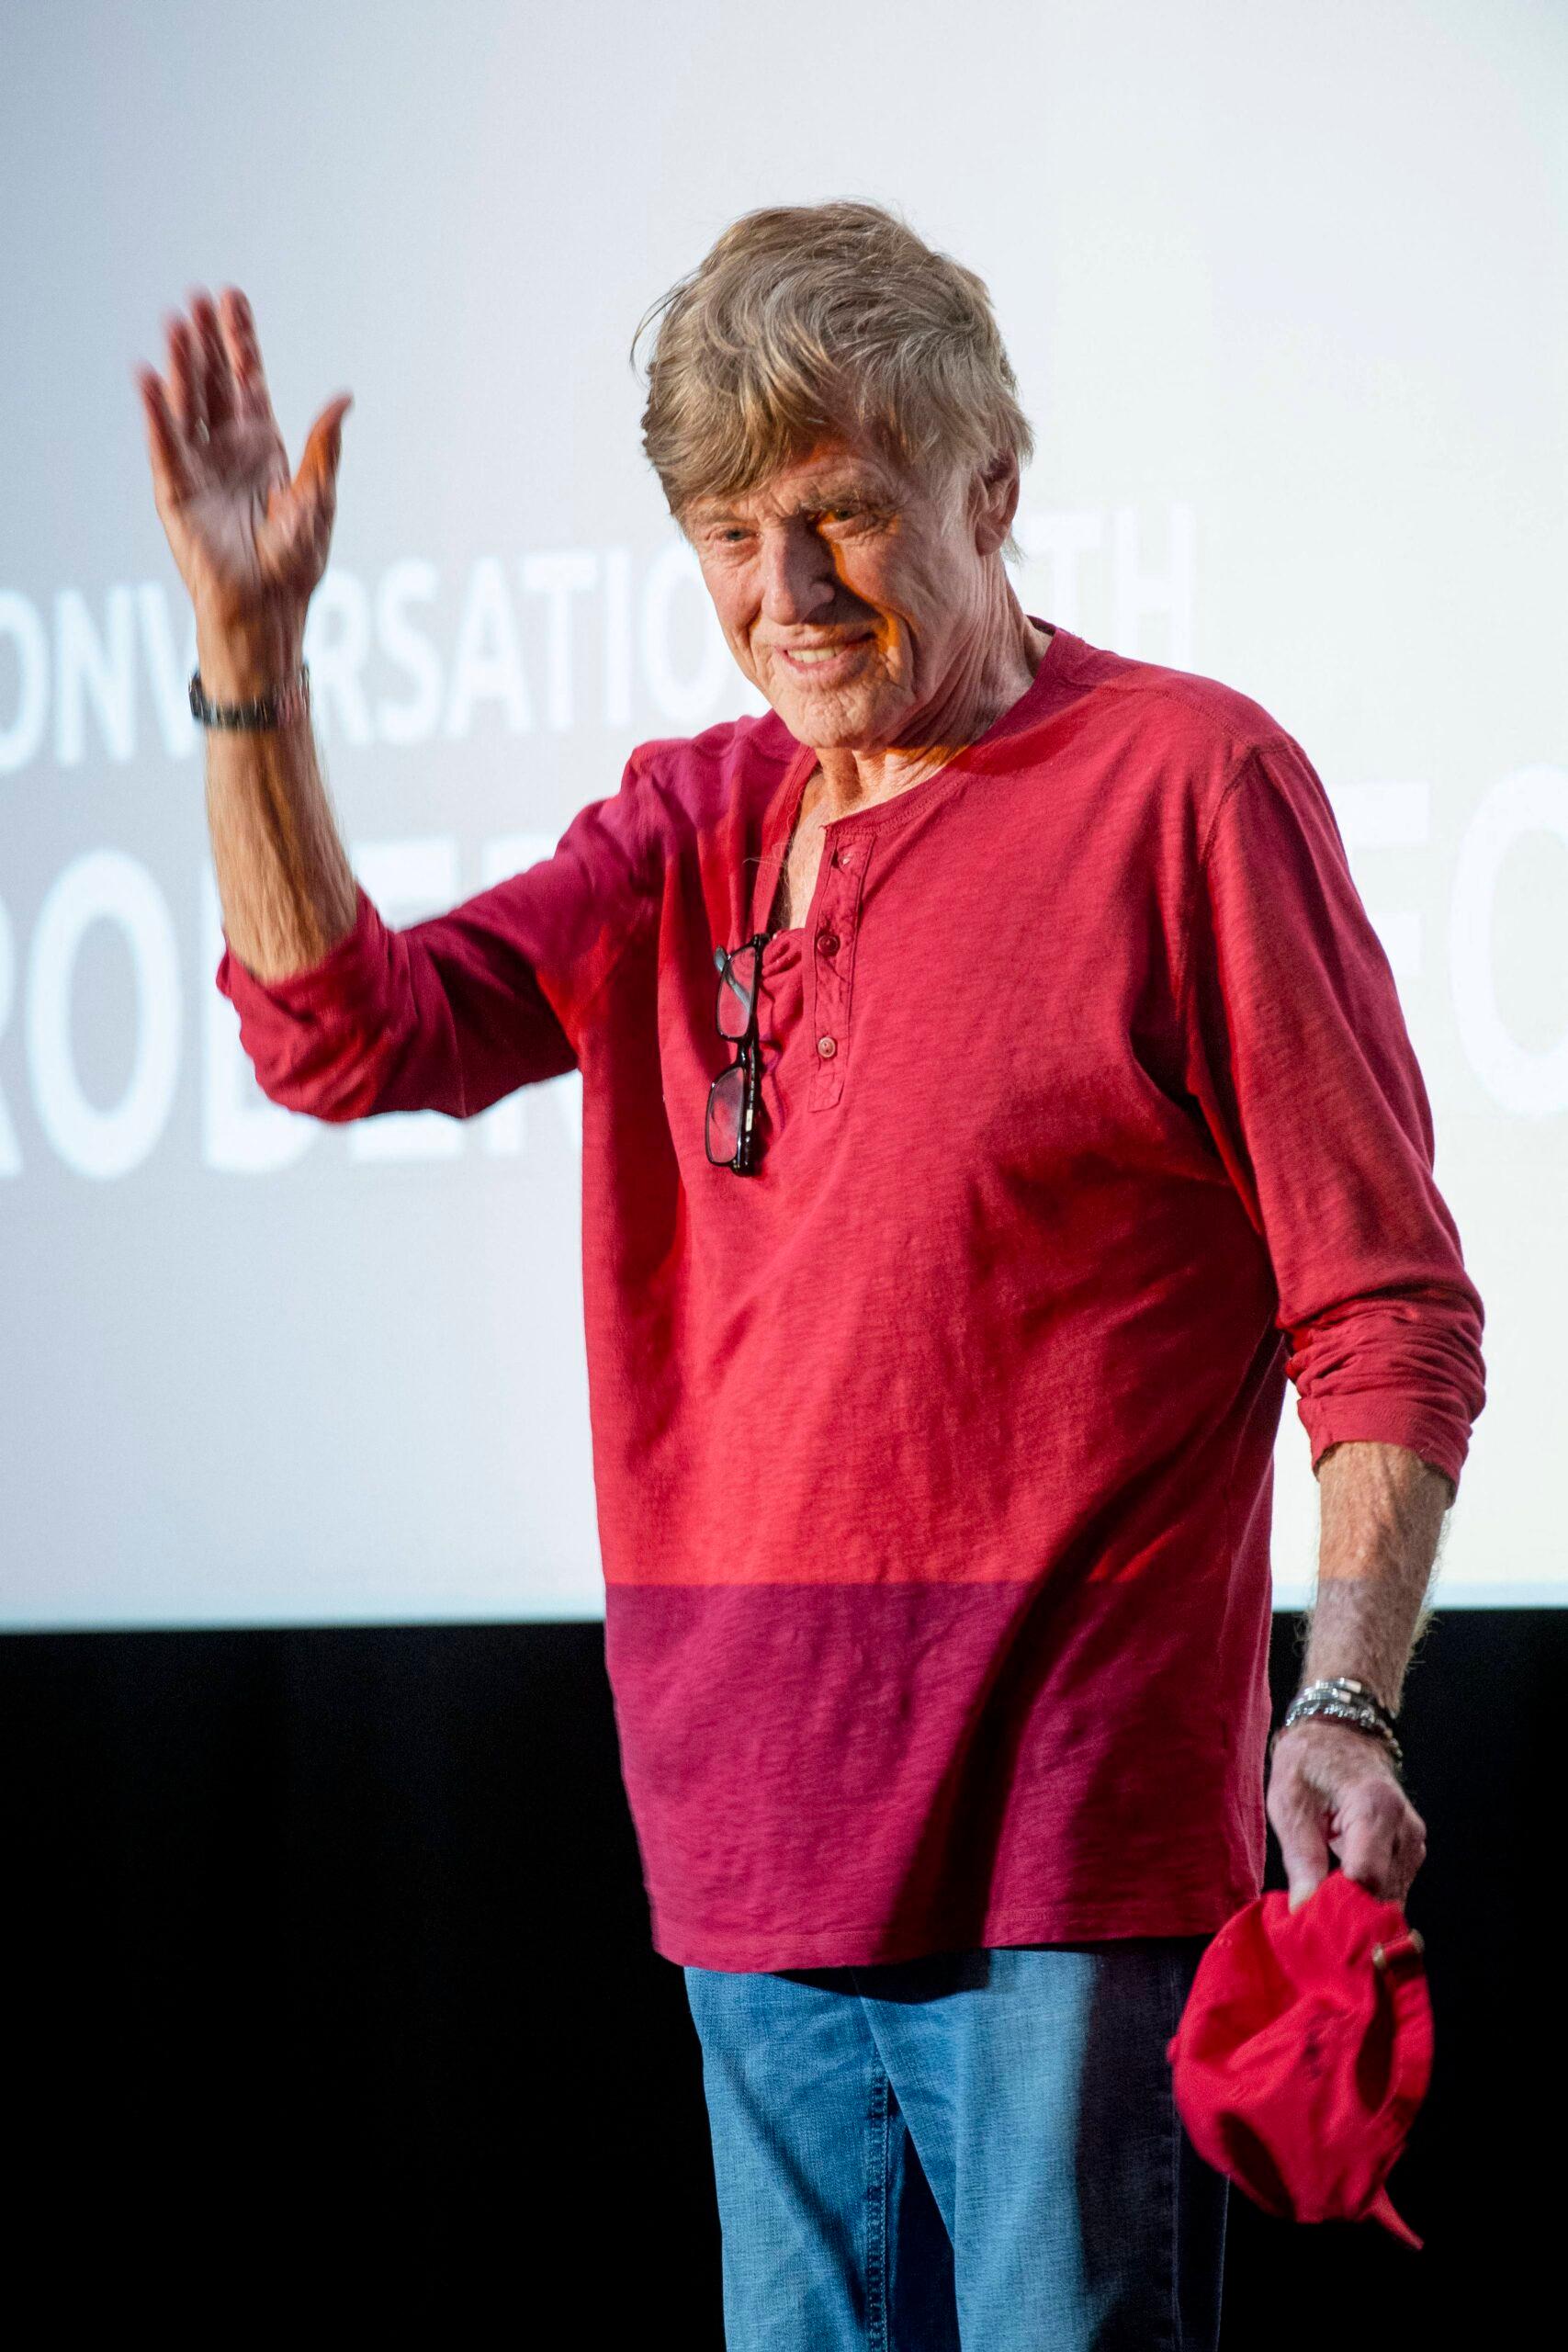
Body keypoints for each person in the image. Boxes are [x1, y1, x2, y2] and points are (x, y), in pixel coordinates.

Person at [136, 200, 1485, 2349]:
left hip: (1063, 1851)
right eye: (729, 533)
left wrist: (1337, 1692)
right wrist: (248, 665)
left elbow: (1381, 1304)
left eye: (843, 515)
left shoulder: (1186, 786)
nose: (784, 595)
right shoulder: (683, 821)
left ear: (991, 491)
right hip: (746, 1847)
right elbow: (342, 1033)